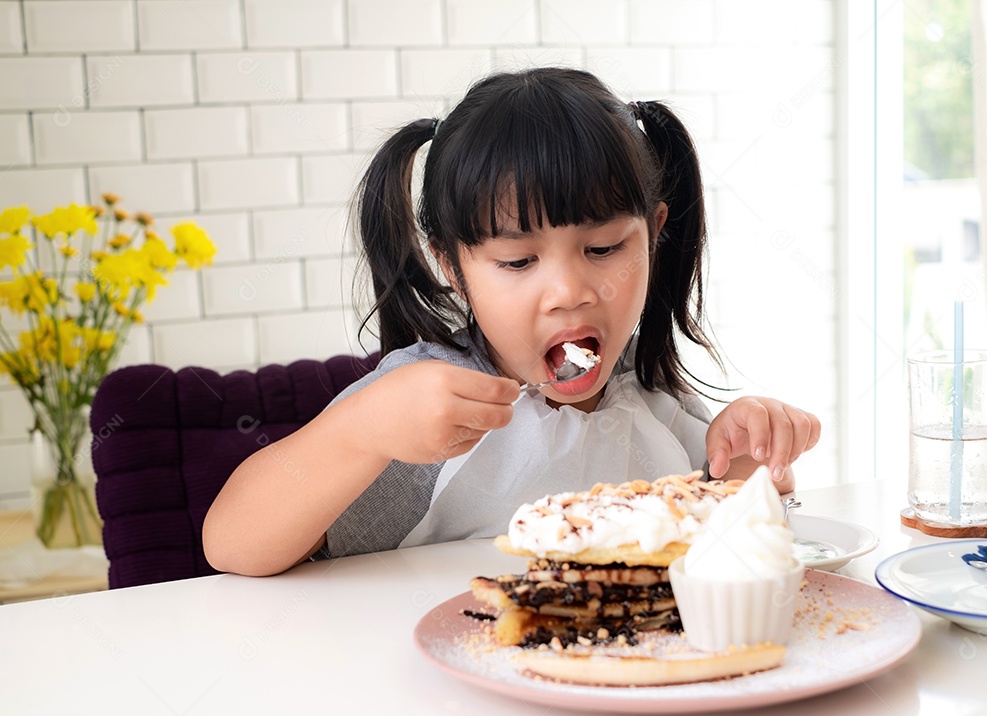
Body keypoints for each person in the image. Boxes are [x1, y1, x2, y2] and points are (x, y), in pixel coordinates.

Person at [203, 67, 820, 577]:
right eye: (518, 260)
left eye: (603, 248)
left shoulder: (653, 398)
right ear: (450, 262)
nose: (568, 293)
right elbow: (233, 546)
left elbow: (731, 535)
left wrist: (752, 457)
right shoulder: (422, 406)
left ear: (654, 237)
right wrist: (358, 433)